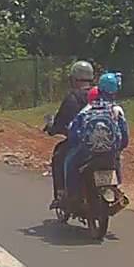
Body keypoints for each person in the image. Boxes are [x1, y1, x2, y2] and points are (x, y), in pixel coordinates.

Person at [62, 72, 129, 201]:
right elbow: (124, 135)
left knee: (69, 163)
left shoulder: (88, 108)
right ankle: (117, 190)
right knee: (116, 161)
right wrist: (119, 148)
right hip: (110, 153)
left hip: (86, 152)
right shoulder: (116, 109)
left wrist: (76, 142)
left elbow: (73, 131)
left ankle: (72, 195)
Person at [48, 60, 95, 209]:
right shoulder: (99, 95)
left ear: (74, 78)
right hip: (102, 144)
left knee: (59, 157)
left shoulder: (72, 98)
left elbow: (60, 122)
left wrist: (52, 128)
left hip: (78, 143)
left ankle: (61, 193)